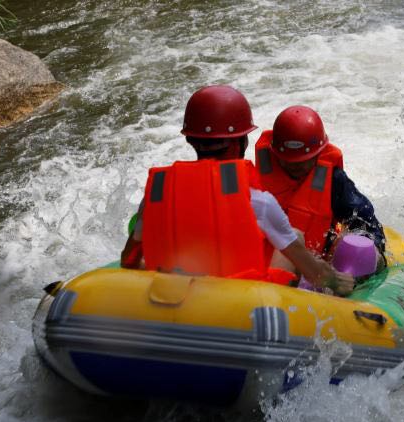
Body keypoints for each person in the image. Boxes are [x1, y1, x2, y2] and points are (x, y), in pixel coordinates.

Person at [120, 85, 353, 295]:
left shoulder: (158, 192)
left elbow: (128, 260)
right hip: (243, 304)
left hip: (172, 295)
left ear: (191, 140)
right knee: (296, 234)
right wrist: (337, 281)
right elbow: (316, 274)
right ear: (242, 142)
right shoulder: (258, 202)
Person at [254, 105, 387, 272]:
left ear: (318, 153)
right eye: (288, 160)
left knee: (362, 248)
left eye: (303, 160)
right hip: (272, 266)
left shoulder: (335, 181)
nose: (295, 165)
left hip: (319, 265)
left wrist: (371, 248)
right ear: (275, 154)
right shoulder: (257, 175)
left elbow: (364, 220)